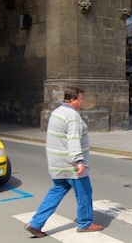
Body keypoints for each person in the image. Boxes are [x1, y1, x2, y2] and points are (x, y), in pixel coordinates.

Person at [25, 86, 103, 237]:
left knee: (55, 192)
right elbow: (73, 139)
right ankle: (85, 223)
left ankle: (35, 223)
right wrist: (79, 161)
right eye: (81, 99)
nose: (82, 102)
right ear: (73, 100)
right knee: (85, 193)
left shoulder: (57, 112)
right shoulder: (72, 116)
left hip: (57, 163)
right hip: (71, 166)